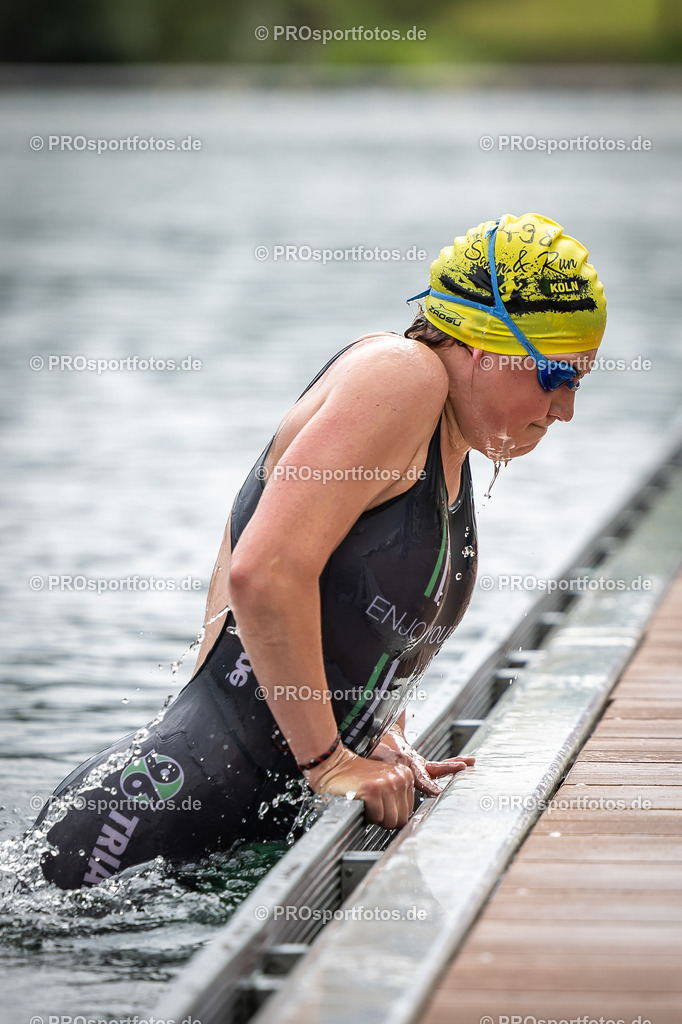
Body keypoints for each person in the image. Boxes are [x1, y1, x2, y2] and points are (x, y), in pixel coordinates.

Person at [33, 213, 607, 889]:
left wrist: (378, 739)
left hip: (226, 825)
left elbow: (325, 600)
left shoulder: (445, 444)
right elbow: (262, 573)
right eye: (553, 375)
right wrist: (331, 763)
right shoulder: (400, 377)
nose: (565, 408)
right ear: (485, 346)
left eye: (579, 382)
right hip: (142, 824)